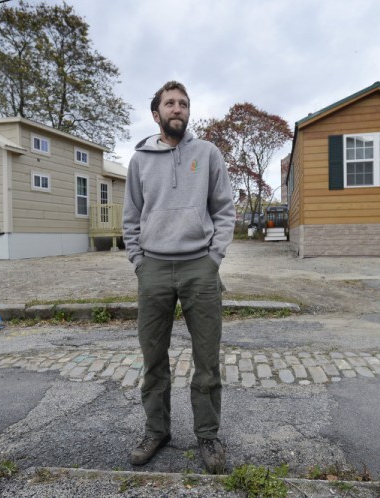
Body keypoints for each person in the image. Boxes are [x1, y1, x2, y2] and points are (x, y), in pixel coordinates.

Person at [122, 80, 236, 474]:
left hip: (198, 269)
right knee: (153, 358)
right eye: (170, 103)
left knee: (207, 360)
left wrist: (214, 257)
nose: (178, 109)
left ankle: (207, 435)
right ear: (157, 113)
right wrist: (138, 260)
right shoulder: (139, 159)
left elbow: (224, 209)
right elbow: (131, 216)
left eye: (183, 104)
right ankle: (157, 430)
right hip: (153, 268)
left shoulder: (206, 154)